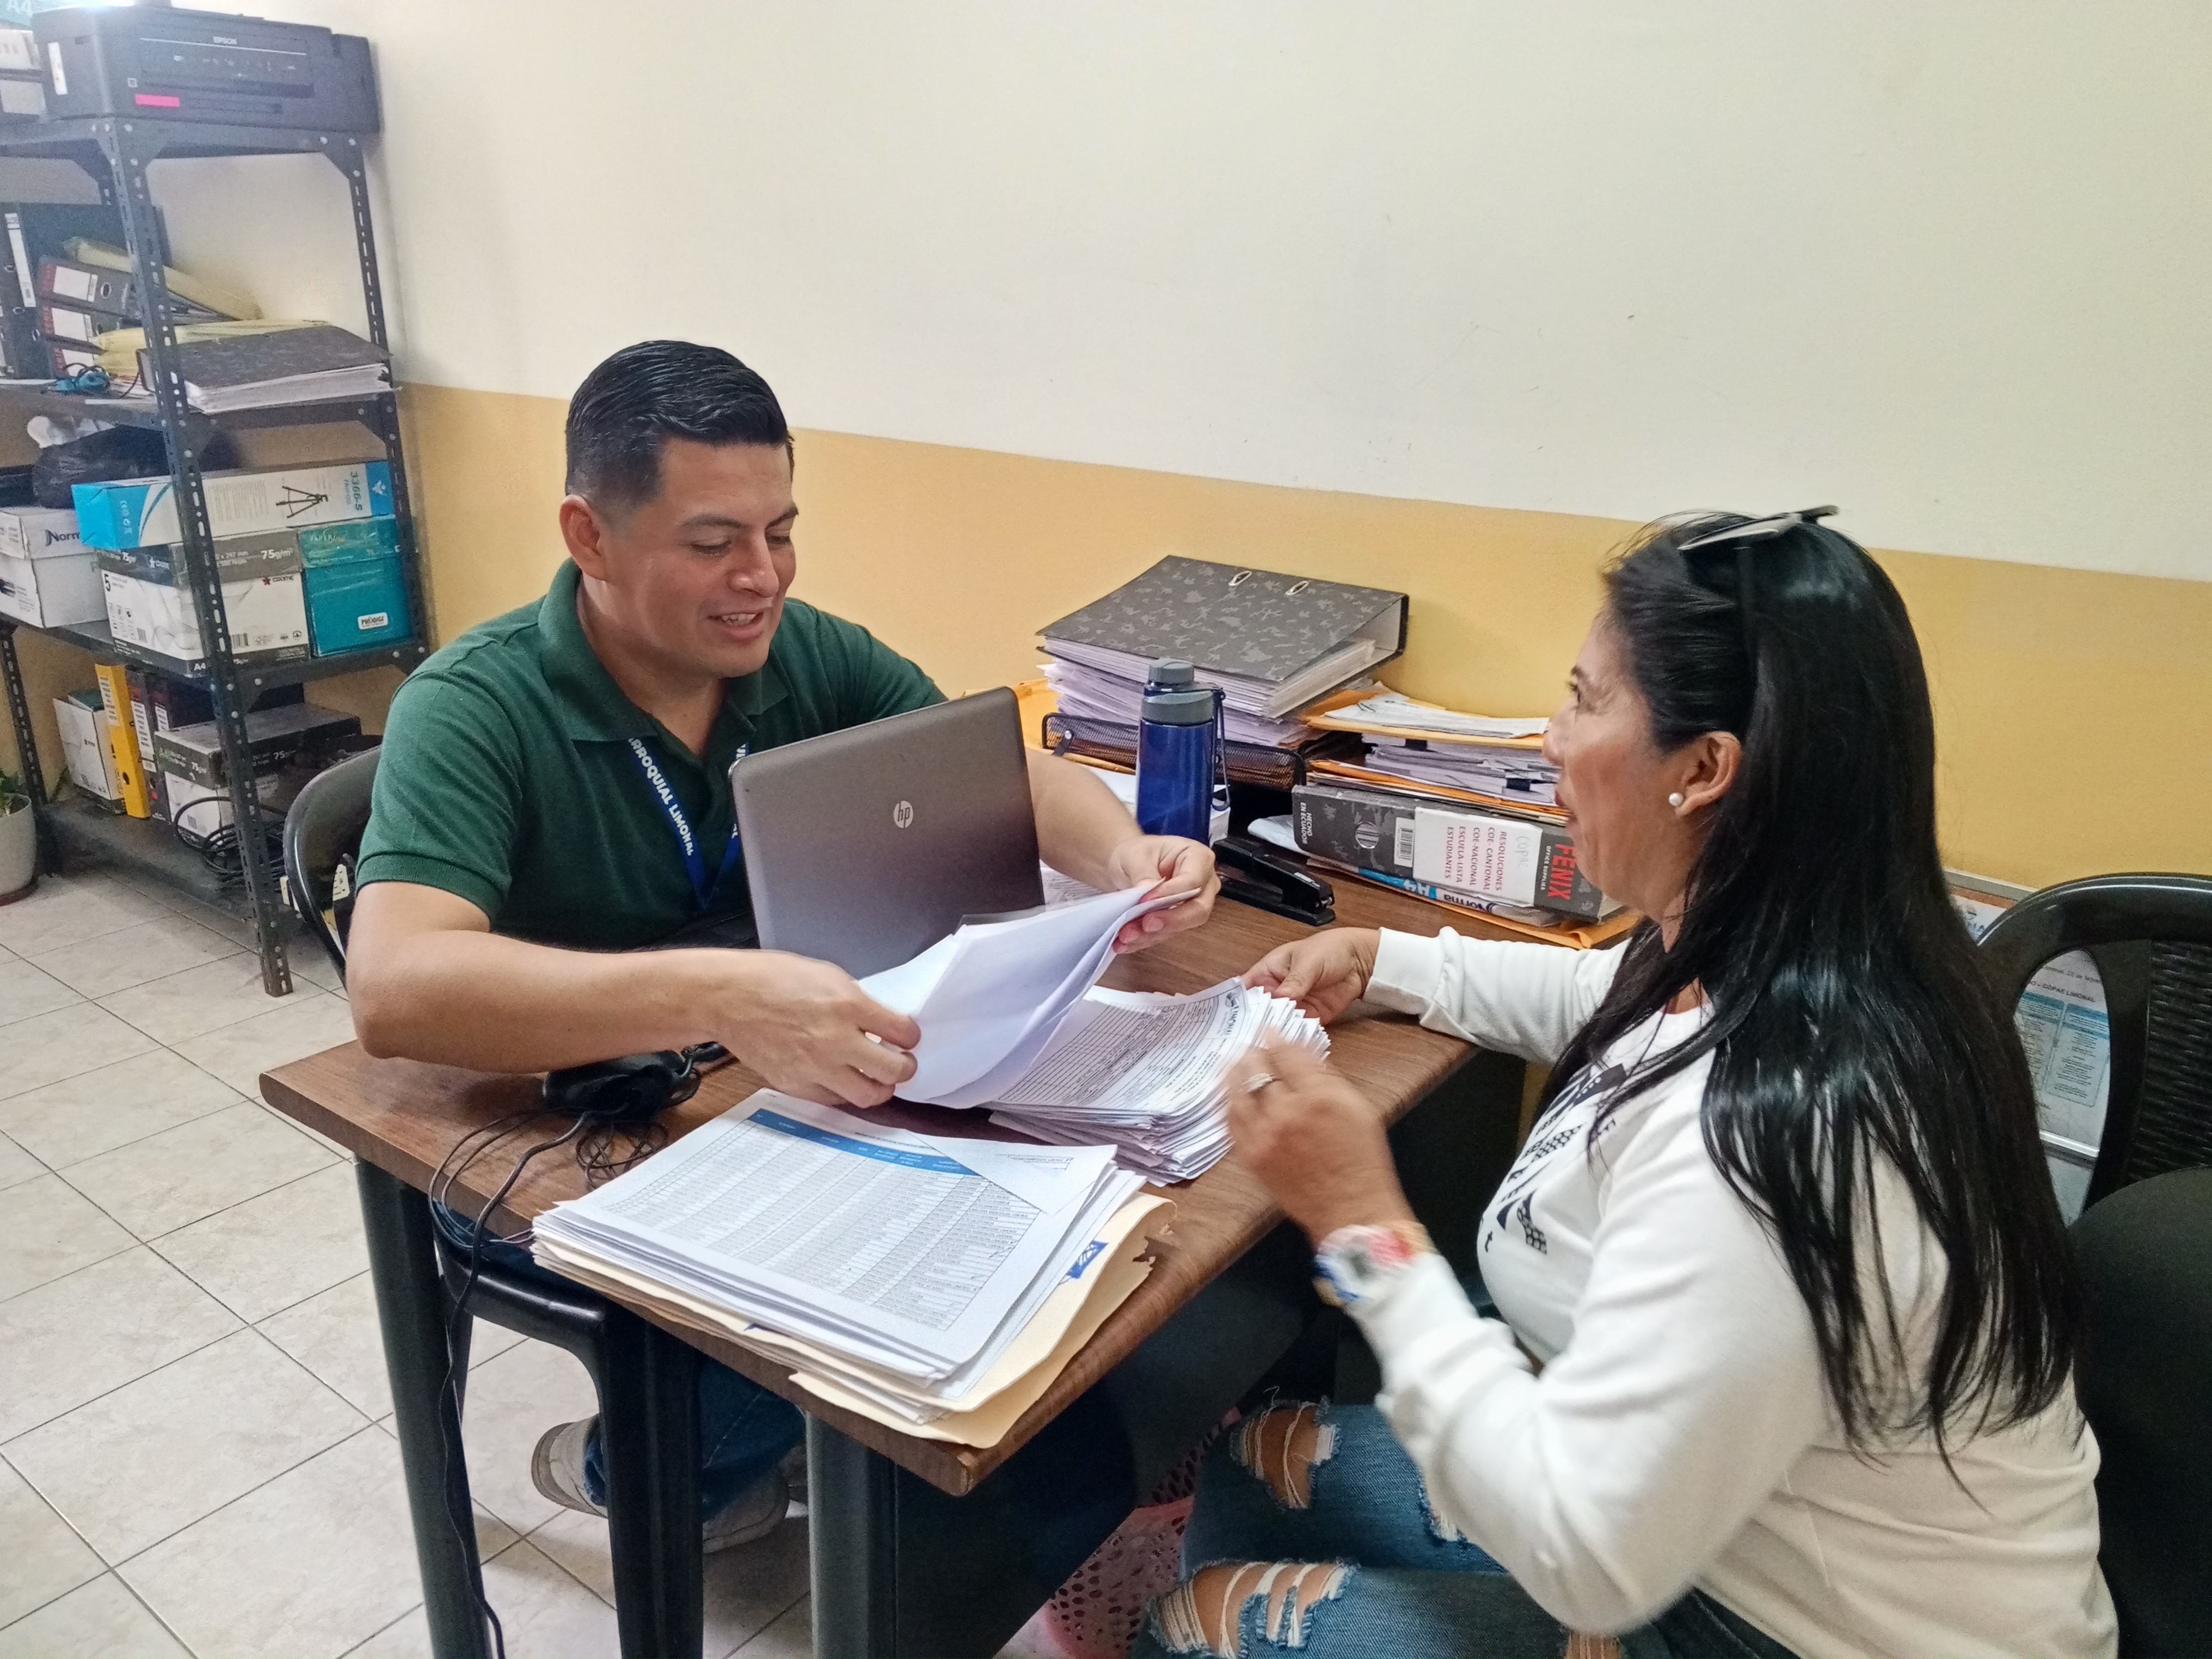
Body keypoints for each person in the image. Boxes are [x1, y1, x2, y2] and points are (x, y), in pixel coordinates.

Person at [1136, 509, 2113, 1658]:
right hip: (1713, 1532)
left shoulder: (1781, 1138)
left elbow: (1588, 1563)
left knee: (1200, 1628)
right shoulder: (1812, 951)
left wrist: (1363, 1226)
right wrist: (1384, 959)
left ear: (1702, 771)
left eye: (1585, 700)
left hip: (1808, 1628)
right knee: (1253, 1471)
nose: (1552, 738)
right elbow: (1608, 1002)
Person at [346, 339, 1219, 1550]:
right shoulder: (474, 707)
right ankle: (631, 1474)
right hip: (563, 1135)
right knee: (810, 1321)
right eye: (712, 543)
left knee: (1053, 1247)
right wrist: (718, 995)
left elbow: (998, 772)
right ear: (590, 536)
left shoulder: (801, 653)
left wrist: (1124, 852)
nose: (759, 578)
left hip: (766, 1091)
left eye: (781, 532)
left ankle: (875, 1488)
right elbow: (394, 989)